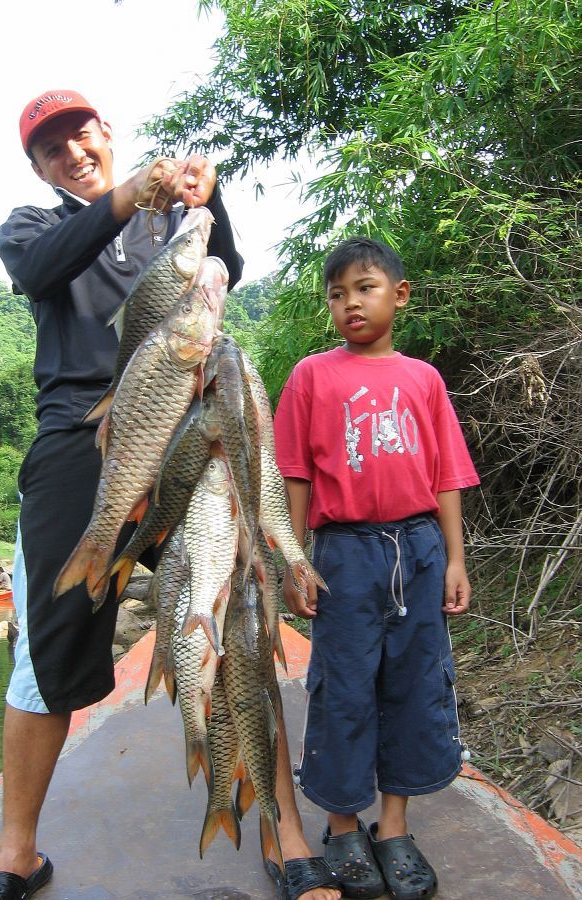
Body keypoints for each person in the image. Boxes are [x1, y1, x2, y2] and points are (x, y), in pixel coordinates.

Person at [0, 89, 243, 900]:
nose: (72, 152)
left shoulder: (168, 227)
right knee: (44, 656)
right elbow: (41, 270)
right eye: (53, 148)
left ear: (106, 132)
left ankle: (286, 831)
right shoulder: (34, 227)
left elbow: (230, 269)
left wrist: (203, 197)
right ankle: (15, 853)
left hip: (188, 434)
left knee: (239, 619)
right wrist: (126, 199)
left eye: (81, 134)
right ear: (39, 167)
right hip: (80, 448)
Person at [269, 237, 480, 900]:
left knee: (415, 685)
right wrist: (295, 559)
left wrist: (454, 560)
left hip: (417, 549)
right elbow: (296, 475)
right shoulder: (311, 376)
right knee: (343, 689)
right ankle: (341, 827)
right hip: (344, 554)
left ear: (400, 294)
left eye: (364, 288)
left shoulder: (423, 380)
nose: (350, 303)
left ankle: (392, 828)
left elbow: (446, 476)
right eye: (337, 294)